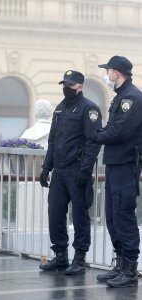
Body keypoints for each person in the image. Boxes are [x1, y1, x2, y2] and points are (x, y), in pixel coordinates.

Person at [39, 70, 102, 275]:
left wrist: (85, 171)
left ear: (80, 86)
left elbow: (93, 143)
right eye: (65, 84)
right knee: (55, 212)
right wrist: (46, 168)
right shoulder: (60, 109)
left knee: (79, 214)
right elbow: (52, 141)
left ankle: (80, 259)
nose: (67, 88)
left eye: (71, 85)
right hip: (59, 170)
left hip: (77, 170)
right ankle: (60, 255)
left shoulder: (89, 109)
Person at [94, 56, 142, 288]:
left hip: (125, 164)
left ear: (117, 73)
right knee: (112, 217)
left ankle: (130, 269)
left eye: (109, 71)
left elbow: (120, 131)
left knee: (124, 215)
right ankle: (121, 264)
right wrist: (101, 133)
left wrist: (95, 135)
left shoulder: (131, 98)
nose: (107, 74)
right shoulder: (120, 97)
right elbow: (112, 128)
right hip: (114, 164)